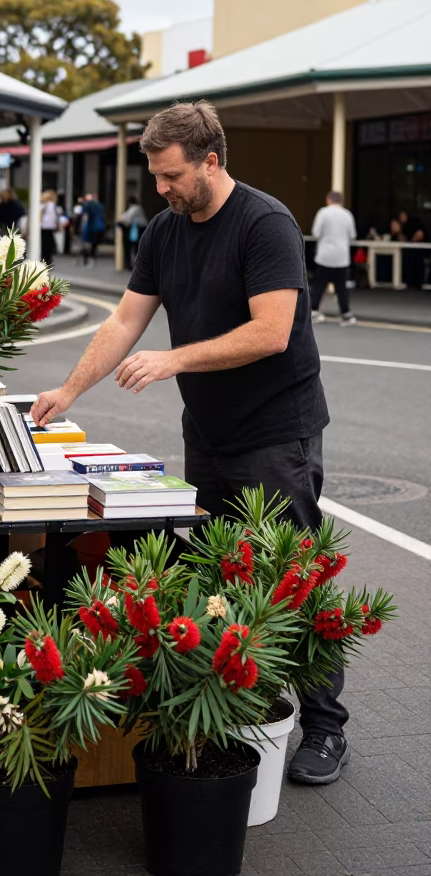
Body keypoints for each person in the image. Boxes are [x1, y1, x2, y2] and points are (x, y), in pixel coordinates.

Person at [31, 100, 348, 787]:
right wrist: (69, 390)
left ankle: (326, 725)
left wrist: (173, 361)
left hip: (276, 432)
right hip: (207, 433)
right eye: (155, 176)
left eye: (172, 175)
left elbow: (271, 331)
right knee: (224, 576)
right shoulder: (165, 231)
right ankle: (250, 694)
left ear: (211, 160)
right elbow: (124, 319)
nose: (162, 189)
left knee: (292, 576)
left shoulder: (265, 224)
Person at [310, 191, 357, 326]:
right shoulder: (347, 215)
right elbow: (352, 235)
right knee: (341, 288)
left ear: (329, 199)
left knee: (319, 285)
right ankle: (346, 314)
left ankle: (314, 311)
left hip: (325, 255)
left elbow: (316, 233)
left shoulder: (323, 213)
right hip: (342, 257)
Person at [116, 196, 148, 270]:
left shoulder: (136, 208)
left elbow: (127, 218)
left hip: (135, 230)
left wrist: (122, 220)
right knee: (135, 248)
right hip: (136, 230)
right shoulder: (137, 208)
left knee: (134, 248)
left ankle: (134, 265)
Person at [80, 193, 106, 265]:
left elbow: (85, 216)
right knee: (94, 242)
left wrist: (83, 226)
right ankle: (92, 255)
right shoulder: (100, 206)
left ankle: (87, 256)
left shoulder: (88, 205)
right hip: (99, 226)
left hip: (90, 226)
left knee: (88, 242)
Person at [40, 189, 59, 265]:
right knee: (48, 243)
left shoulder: (45, 205)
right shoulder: (52, 205)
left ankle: (45, 259)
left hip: (44, 225)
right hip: (50, 225)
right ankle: (48, 259)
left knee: (45, 243)